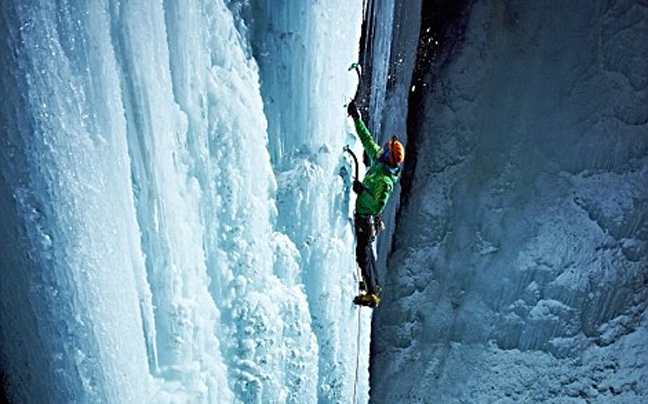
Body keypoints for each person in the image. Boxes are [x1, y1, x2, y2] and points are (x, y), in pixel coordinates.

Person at [347, 100, 404, 308]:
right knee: (366, 253)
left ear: (389, 157)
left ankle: (372, 293)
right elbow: (367, 141)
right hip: (365, 217)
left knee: (363, 254)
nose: (381, 150)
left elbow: (379, 202)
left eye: (385, 150)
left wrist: (364, 191)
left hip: (366, 218)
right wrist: (356, 118)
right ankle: (374, 285)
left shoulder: (385, 180)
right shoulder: (381, 165)